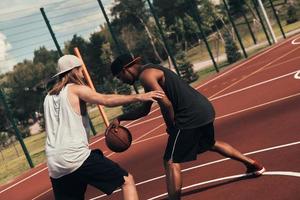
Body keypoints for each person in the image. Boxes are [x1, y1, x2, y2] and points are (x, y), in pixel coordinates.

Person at [110, 54, 266, 200]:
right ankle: (253, 164)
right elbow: (145, 109)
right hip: (203, 109)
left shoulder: (146, 76)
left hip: (189, 116)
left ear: (125, 69)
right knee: (209, 144)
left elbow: (166, 103)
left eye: (119, 77)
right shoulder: (151, 70)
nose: (121, 80)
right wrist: (120, 118)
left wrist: (171, 126)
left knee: (170, 160)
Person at [43, 55, 164, 200]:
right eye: (81, 70)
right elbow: (106, 100)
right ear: (74, 71)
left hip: (55, 164)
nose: (83, 74)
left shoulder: (48, 98)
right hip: (75, 157)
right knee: (126, 181)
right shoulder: (76, 89)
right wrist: (139, 97)